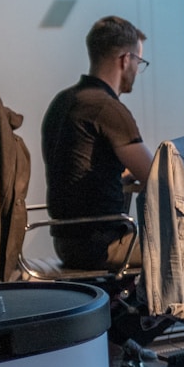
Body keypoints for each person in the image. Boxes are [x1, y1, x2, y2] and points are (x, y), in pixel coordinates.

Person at [41, 16, 153, 270]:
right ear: (126, 60)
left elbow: (79, 168)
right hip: (102, 246)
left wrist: (121, 179)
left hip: (67, 242)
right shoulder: (107, 108)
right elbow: (159, 176)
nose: (137, 68)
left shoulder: (63, 101)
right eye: (139, 60)